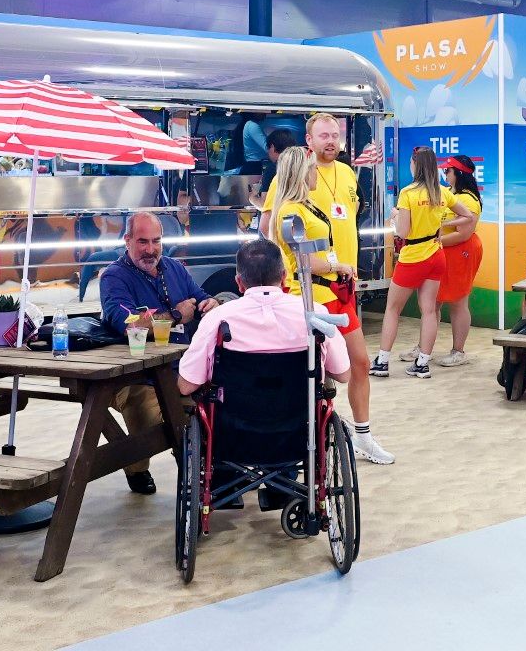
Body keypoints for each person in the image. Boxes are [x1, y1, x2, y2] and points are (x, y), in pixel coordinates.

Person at [263, 113, 392, 465]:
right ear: (309, 139)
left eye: (336, 135)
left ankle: (362, 435)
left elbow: (349, 219)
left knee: (360, 363)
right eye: (324, 135)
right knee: (318, 371)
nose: (331, 141)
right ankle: (309, 438)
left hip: (345, 286)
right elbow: (269, 226)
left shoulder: (349, 174)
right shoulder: (295, 177)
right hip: (312, 289)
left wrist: (342, 267)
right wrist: (287, 270)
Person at [99, 211, 219, 494]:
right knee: (148, 412)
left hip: (183, 370)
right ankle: (137, 467)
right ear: (127, 240)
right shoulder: (114, 277)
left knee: (216, 404)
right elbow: (130, 326)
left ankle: (203, 476)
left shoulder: (174, 267)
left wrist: (211, 304)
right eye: (142, 241)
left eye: (156, 241)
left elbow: (201, 298)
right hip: (137, 376)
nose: (150, 249)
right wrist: (177, 314)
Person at [177, 238, 350, 396]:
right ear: (283, 278)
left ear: (239, 282)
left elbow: (186, 386)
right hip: (301, 422)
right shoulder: (314, 314)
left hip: (234, 424)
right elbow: (343, 375)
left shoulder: (217, 319)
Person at [372, 148, 475, 379]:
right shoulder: (442, 192)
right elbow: (468, 215)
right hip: (436, 255)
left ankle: (382, 361)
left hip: (412, 256)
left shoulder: (407, 193)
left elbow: (403, 232)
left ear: (415, 165)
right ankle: (422, 364)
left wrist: (396, 216)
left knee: (392, 309)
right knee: (429, 310)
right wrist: (441, 224)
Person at [426, 154, 483, 367]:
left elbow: (463, 234)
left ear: (457, 173)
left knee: (459, 302)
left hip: (461, 252)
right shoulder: (450, 193)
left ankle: (458, 351)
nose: (445, 173)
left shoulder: (468, 199)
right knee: (432, 300)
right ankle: (425, 347)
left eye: (448, 170)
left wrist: (435, 241)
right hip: (444, 251)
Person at [257, 128, 299, 197]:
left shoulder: (272, 169)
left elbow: (263, 203)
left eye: (268, 148)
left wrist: (252, 197)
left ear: (272, 147)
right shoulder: (301, 165)